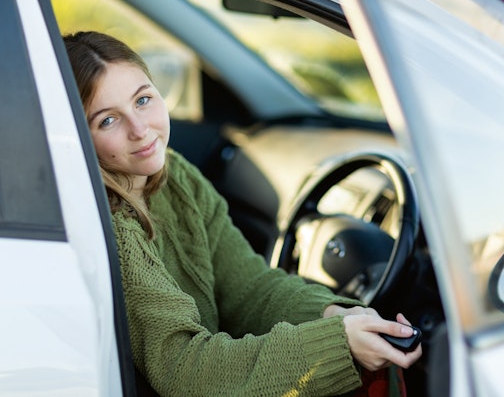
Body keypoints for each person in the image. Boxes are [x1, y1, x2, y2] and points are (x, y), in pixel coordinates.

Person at [63, 31, 422, 396]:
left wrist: (335, 316)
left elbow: (249, 289)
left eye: (143, 100)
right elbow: (184, 370)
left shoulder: (174, 176)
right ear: (76, 132)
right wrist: (336, 344)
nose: (140, 130)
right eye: (107, 120)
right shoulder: (114, 228)